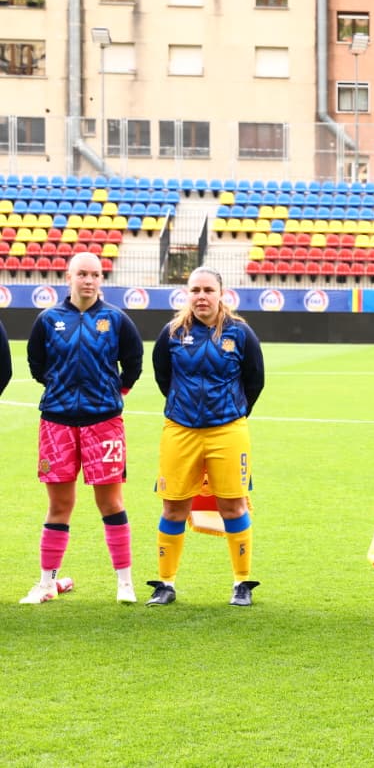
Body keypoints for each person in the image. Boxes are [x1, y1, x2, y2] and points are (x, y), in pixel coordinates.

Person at [20, 252, 143, 605]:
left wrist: (111, 393)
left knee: (111, 501)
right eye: (82, 274)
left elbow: (132, 365)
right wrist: (62, 391)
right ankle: (47, 583)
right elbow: (37, 365)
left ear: (101, 279)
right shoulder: (48, 319)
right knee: (59, 505)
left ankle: (124, 583)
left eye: (95, 274)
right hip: (56, 421)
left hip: (103, 423)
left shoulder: (117, 319)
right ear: (68, 276)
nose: (89, 280)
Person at [146, 267, 265, 607]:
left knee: (233, 503)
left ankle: (242, 582)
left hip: (228, 430)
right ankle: (165, 583)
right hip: (180, 430)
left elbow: (254, 380)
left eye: (208, 290)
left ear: (221, 294)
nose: (201, 296)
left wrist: (233, 411)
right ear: (187, 294)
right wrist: (184, 407)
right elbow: (163, 377)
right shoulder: (171, 333)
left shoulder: (240, 333)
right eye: (195, 290)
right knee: (173, 506)